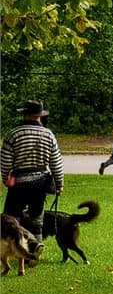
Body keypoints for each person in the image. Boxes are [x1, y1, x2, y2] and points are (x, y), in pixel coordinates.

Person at [3, 101, 64, 239]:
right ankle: (36, 247)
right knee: (37, 219)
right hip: (40, 183)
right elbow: (56, 162)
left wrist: (6, 179)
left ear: (24, 114)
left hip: (19, 183)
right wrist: (59, 184)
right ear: (40, 116)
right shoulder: (48, 134)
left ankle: (16, 247)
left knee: (11, 217)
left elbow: (5, 161)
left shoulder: (13, 134)